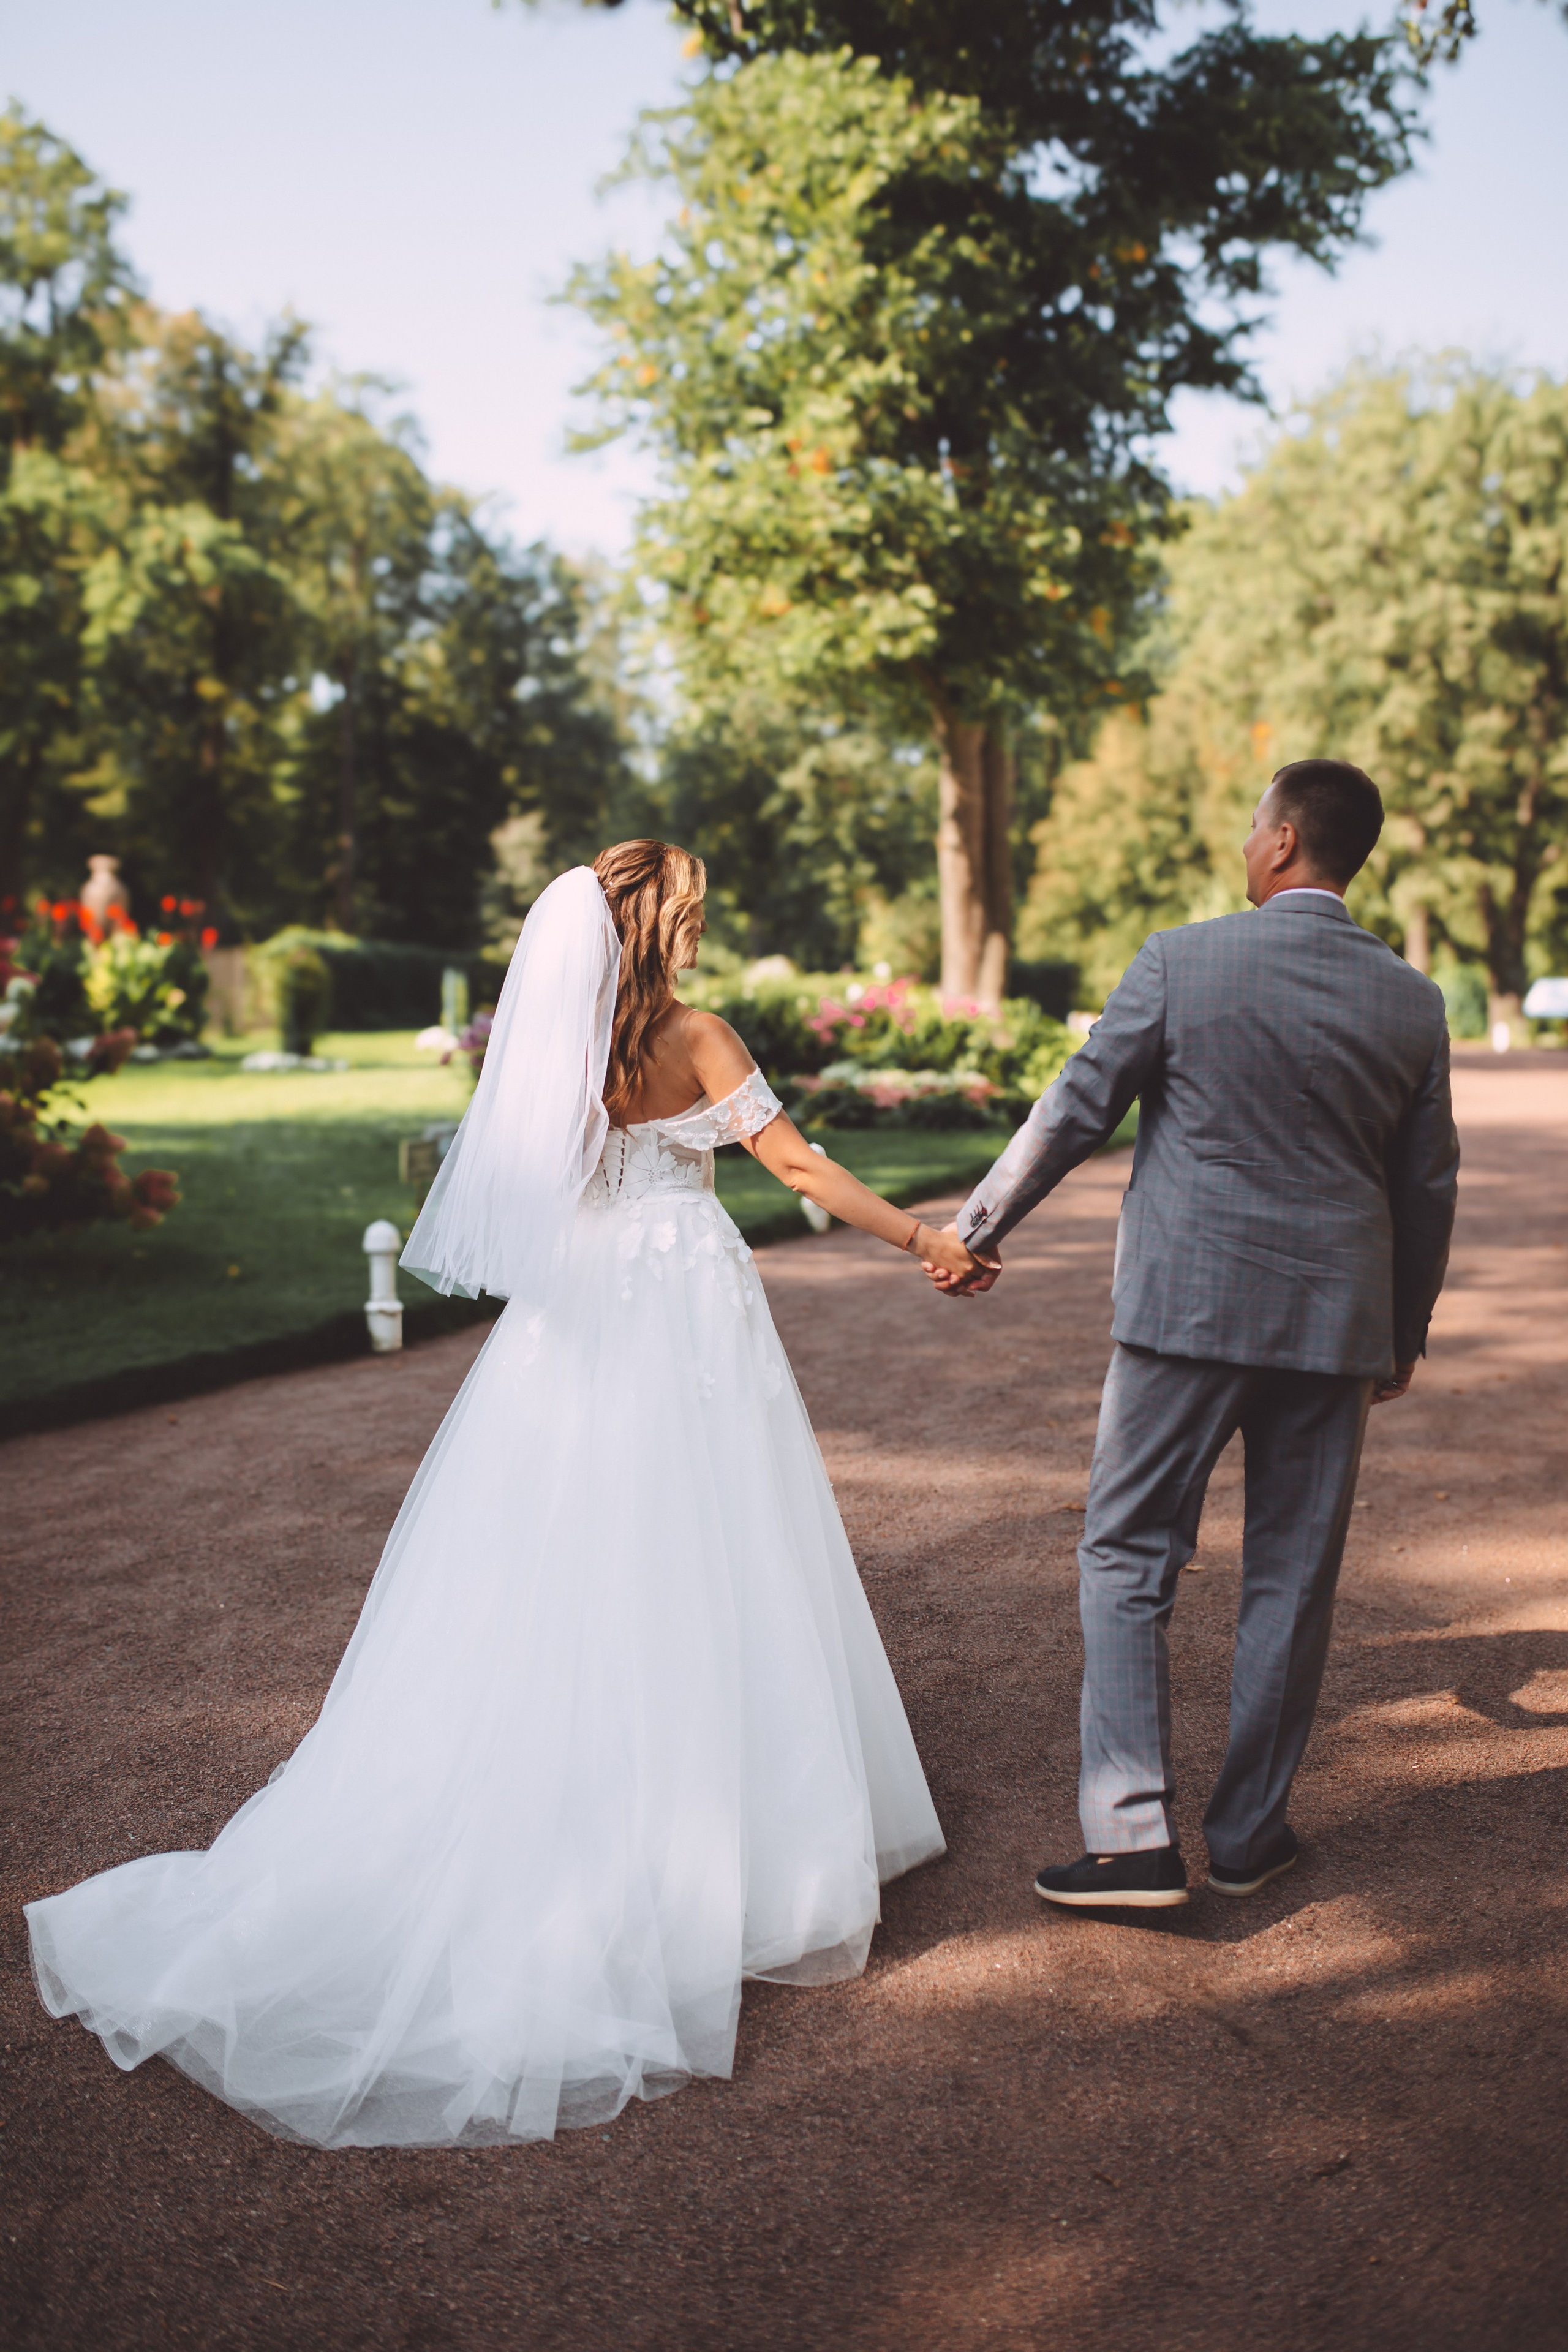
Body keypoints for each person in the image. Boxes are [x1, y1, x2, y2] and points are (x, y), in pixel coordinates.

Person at [27, 842, 973, 2147]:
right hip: (683, 1307)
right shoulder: (696, 1037)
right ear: (645, 922)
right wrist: (928, 1239)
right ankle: (729, 1855)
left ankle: (633, 1819)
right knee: (711, 1547)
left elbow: (533, 1192)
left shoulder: (556, 1042)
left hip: (579, 1319)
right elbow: (799, 1173)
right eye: (688, 911)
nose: (700, 929)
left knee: (571, 1552)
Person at [929, 761, 1458, 1909]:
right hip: (1335, 1324)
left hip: (1188, 1312)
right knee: (1293, 1577)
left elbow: (1078, 1105)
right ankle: (1252, 1835)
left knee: (1128, 1553)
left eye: (1252, 826)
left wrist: (973, 1229)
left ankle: (1130, 1839)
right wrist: (1400, 1336)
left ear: (1279, 844)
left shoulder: (1183, 958)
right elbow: (1427, 1187)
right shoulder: (1413, 1000)